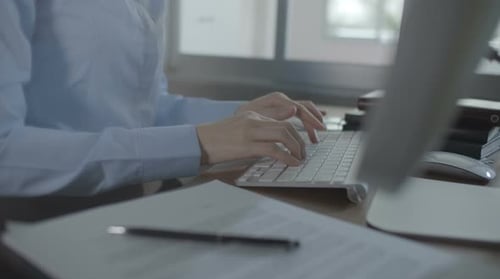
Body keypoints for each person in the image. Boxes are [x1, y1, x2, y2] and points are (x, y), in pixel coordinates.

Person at [0, 1, 325, 196]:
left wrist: (242, 117)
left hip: (134, 203)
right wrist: (197, 143)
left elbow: (148, 109)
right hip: (35, 227)